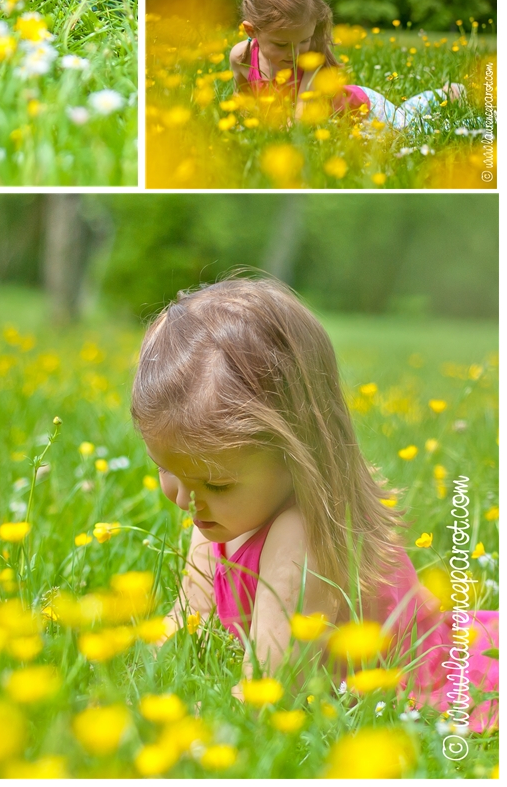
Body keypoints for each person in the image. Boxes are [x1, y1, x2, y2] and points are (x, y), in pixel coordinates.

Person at [130, 275, 499, 730]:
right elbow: (189, 617)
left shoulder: (299, 536)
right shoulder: (218, 514)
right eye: (167, 471)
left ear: (298, 455)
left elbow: (272, 686)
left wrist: (201, 726)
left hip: (412, 678)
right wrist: (133, 676)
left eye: (217, 483)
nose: (186, 500)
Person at [228, 0, 465, 130]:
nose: (294, 52)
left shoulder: (311, 58)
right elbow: (244, 102)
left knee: (414, 129)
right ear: (252, 31)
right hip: (342, 124)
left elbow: (300, 119)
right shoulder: (242, 56)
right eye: (281, 44)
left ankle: (450, 96)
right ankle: (445, 93)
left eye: (303, 40)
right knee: (408, 115)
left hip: (365, 112)